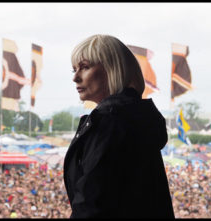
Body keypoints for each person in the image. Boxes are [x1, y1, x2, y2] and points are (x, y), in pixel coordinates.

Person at [63, 34, 174, 218]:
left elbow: (92, 202)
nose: (75, 77)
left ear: (112, 69)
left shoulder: (110, 122)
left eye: (85, 67)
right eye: (74, 69)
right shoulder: (131, 118)